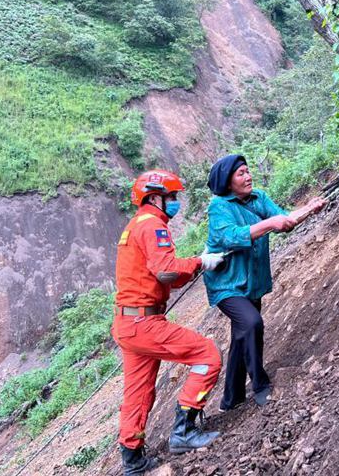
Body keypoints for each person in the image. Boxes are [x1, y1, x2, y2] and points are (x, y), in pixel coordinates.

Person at [113, 169, 227, 475]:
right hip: (144, 323)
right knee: (207, 355)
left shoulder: (134, 225)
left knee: (138, 393)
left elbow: (163, 275)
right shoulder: (152, 226)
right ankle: (185, 431)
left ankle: (133, 461)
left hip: (128, 323)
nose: (175, 203)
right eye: (172, 197)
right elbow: (166, 272)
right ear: (154, 197)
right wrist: (201, 262)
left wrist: (192, 266)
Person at [204, 154, 327, 411]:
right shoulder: (219, 207)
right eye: (241, 174)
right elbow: (230, 237)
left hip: (253, 281)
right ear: (227, 181)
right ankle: (260, 385)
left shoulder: (258, 197)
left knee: (241, 334)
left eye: (248, 172)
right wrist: (269, 223)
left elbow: (283, 219)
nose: (248, 177)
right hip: (227, 283)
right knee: (251, 322)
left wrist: (307, 210)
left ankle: (231, 399)